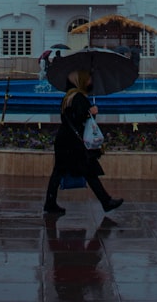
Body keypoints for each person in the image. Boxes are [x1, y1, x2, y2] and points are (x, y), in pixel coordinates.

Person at [43, 69, 123, 216]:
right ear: (80, 81)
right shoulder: (78, 97)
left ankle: (50, 203)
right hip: (73, 144)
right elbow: (80, 120)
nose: (90, 82)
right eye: (87, 79)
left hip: (65, 140)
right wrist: (91, 112)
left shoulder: (69, 96)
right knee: (88, 171)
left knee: (61, 172)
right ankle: (106, 202)